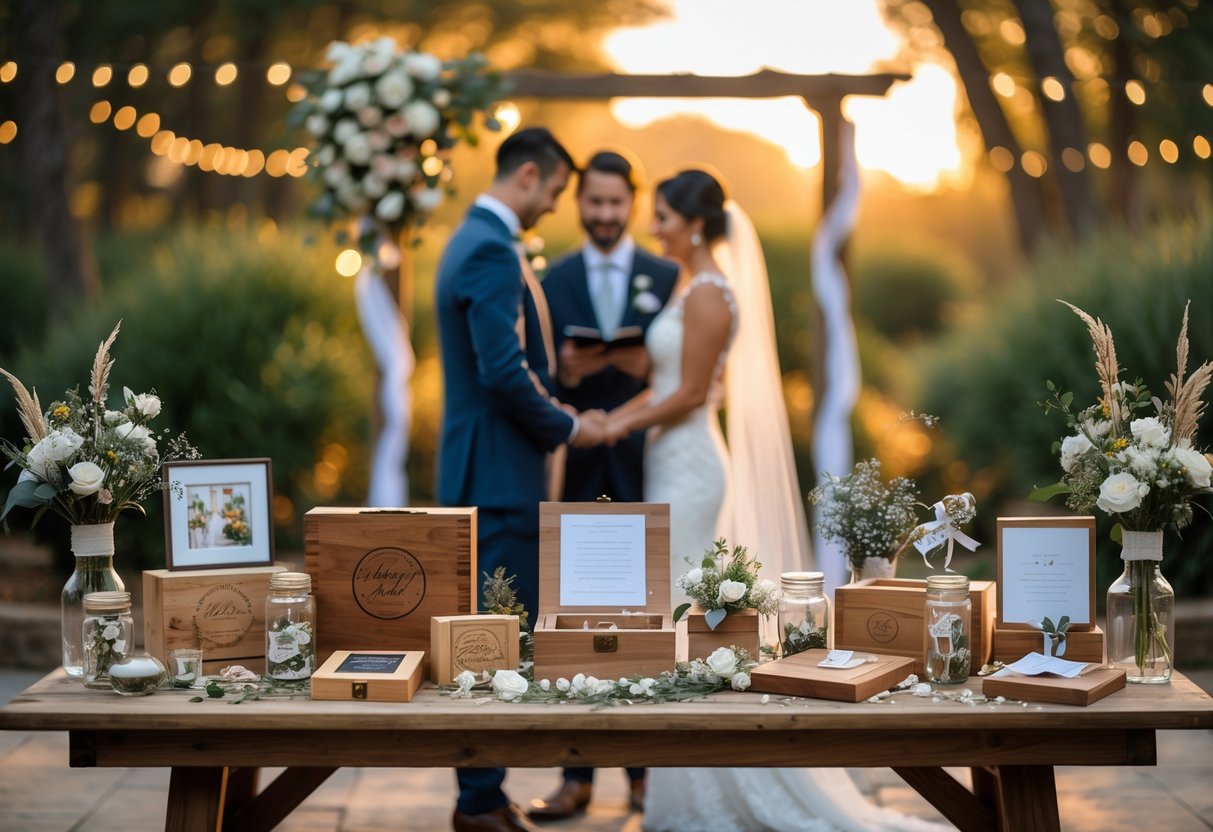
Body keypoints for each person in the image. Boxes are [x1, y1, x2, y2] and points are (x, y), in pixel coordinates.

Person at [606, 169, 946, 832]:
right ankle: (684, 788)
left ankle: (723, 785)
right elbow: (680, 384)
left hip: (690, 468)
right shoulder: (687, 285)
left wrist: (609, 423)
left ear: (696, 223)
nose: (653, 230)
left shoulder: (708, 293)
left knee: (686, 619)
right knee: (679, 621)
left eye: (664, 218)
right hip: (666, 462)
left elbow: (687, 394)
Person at [434, 126, 606, 832]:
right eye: (557, 193)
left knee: (493, 633)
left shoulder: (472, 240)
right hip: (499, 477)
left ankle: (484, 794)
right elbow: (500, 372)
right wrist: (567, 423)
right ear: (528, 175)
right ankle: (478, 802)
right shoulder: (489, 250)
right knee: (494, 638)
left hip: (490, 470)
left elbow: (511, 362)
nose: (554, 209)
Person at [527, 150, 678, 823]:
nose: (604, 215)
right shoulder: (549, 277)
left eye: (616, 204)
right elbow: (534, 377)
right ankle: (575, 776)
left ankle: (645, 777)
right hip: (579, 467)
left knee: (648, 620)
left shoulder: (667, 274)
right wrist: (561, 372)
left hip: (651, 462)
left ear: (632, 203)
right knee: (575, 621)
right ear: (581, 203)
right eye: (593, 203)